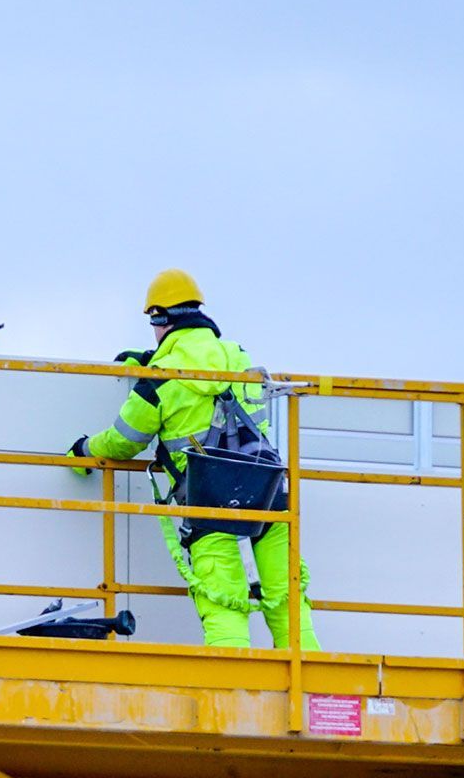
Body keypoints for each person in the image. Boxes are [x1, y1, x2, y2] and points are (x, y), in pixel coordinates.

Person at [69, 269, 319, 649]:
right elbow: (211, 376)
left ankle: (234, 685)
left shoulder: (161, 378)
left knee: (224, 607)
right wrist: (151, 359)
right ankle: (310, 682)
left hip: (210, 499)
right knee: (289, 606)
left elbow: (124, 441)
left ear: (160, 320)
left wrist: (83, 451)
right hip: (268, 490)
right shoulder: (238, 356)